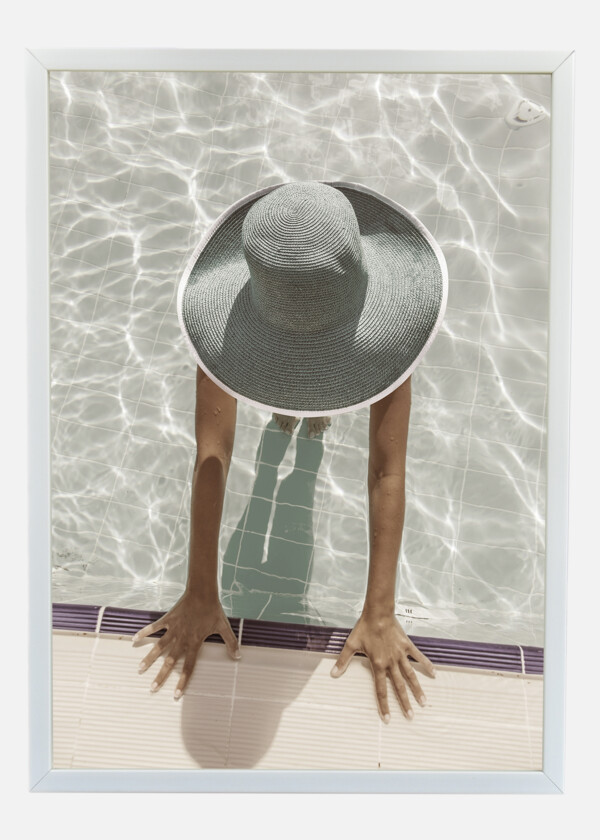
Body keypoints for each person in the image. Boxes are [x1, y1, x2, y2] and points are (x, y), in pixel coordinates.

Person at [134, 180, 448, 723]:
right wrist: (200, 590)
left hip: (309, 329)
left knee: (296, 430)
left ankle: (301, 403)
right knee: (299, 425)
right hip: (328, 331)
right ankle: (302, 402)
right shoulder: (234, 338)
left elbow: (383, 469)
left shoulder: (378, 340)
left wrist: (380, 611)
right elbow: (214, 456)